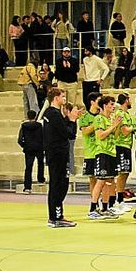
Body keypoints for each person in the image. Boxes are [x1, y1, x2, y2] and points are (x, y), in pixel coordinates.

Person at [40, 89, 80, 227]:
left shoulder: (50, 114)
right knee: (59, 185)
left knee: (59, 184)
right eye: (62, 96)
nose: (64, 99)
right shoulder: (54, 114)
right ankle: (56, 217)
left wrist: (68, 119)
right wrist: (73, 120)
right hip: (58, 155)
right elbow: (68, 134)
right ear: (56, 98)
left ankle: (56, 216)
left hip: (55, 154)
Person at [17, 110, 44, 193]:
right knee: (40, 163)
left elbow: (20, 139)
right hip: (39, 147)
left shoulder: (24, 126)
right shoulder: (39, 126)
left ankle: (27, 186)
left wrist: (24, 146)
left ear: (27, 117)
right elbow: (43, 136)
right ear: (35, 116)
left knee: (28, 167)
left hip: (28, 149)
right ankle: (41, 179)